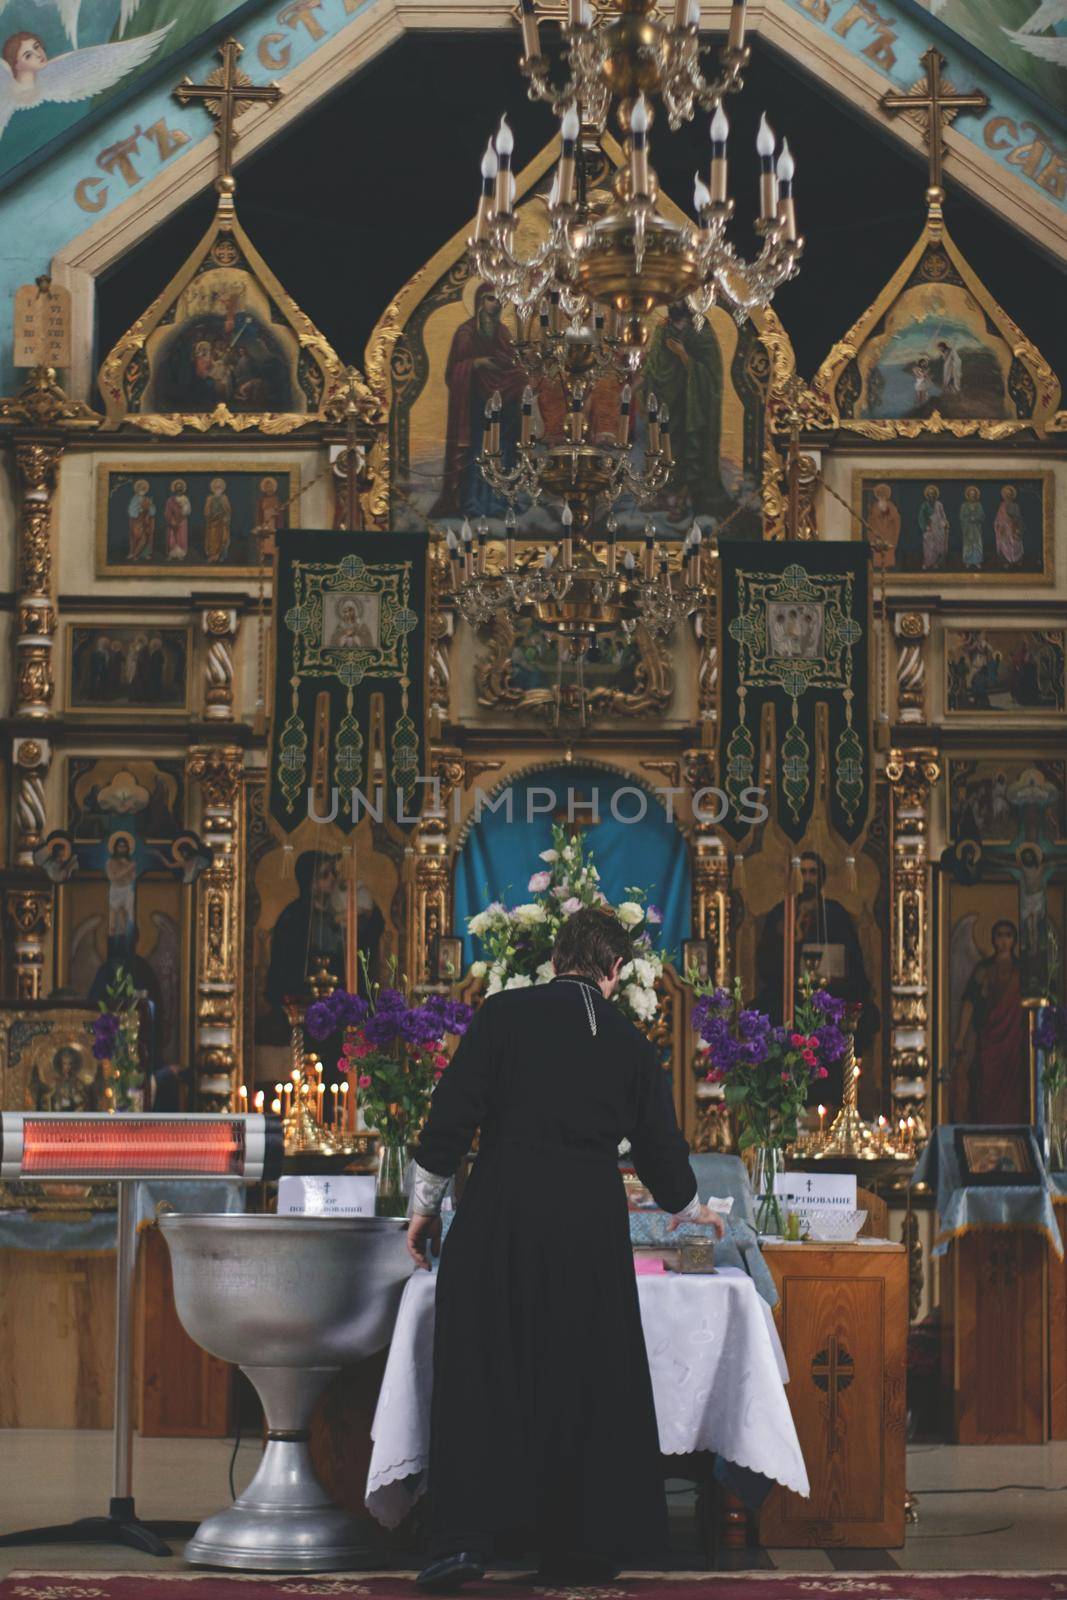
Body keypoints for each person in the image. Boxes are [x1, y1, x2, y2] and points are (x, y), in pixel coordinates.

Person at [407, 906, 725, 1592]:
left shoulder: (499, 1014)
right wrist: (693, 1210)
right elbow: (663, 1160)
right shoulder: (631, 1042)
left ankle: (464, 1540)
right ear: (615, 970)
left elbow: (449, 1119)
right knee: (581, 1376)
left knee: (482, 1367)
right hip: (586, 1222)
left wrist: (421, 1210)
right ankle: (579, 1546)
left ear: (556, 959)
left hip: (501, 1209)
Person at [432, 285, 526, 519]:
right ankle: (471, 503)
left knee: (502, 450)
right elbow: (454, 371)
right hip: (473, 404)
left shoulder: (503, 332)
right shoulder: (465, 332)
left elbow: (512, 363)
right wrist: (477, 363)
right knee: (476, 452)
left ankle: (500, 501)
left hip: (502, 407)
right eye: (490, 299)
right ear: (480, 302)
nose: (495, 304)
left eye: (499, 300)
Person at [643, 303, 726, 518]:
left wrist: (683, 355)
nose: (676, 302)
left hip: (694, 404)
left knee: (691, 448)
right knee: (666, 445)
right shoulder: (663, 328)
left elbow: (711, 372)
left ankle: (683, 499)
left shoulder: (701, 328)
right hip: (667, 402)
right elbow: (654, 365)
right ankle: (663, 494)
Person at [868, 483, 901, 571]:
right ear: (877, 495)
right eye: (880, 494)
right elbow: (871, 519)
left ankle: (888, 567)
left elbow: (896, 517)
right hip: (877, 531)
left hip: (889, 532)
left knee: (888, 550)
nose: (882, 496)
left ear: (887, 495)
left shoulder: (891, 505)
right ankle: (878, 567)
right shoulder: (875, 506)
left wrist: (888, 514)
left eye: (884, 494)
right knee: (878, 550)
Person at [959, 485, 985, 570]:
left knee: (977, 544)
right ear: (968, 495)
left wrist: (976, 518)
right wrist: (969, 519)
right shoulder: (964, 505)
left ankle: (977, 561)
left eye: (974, 494)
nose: (972, 496)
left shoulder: (979, 505)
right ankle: (968, 561)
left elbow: (982, 516)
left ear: (976, 495)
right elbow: (962, 516)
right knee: (968, 544)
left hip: (976, 528)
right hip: (968, 528)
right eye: (971, 494)